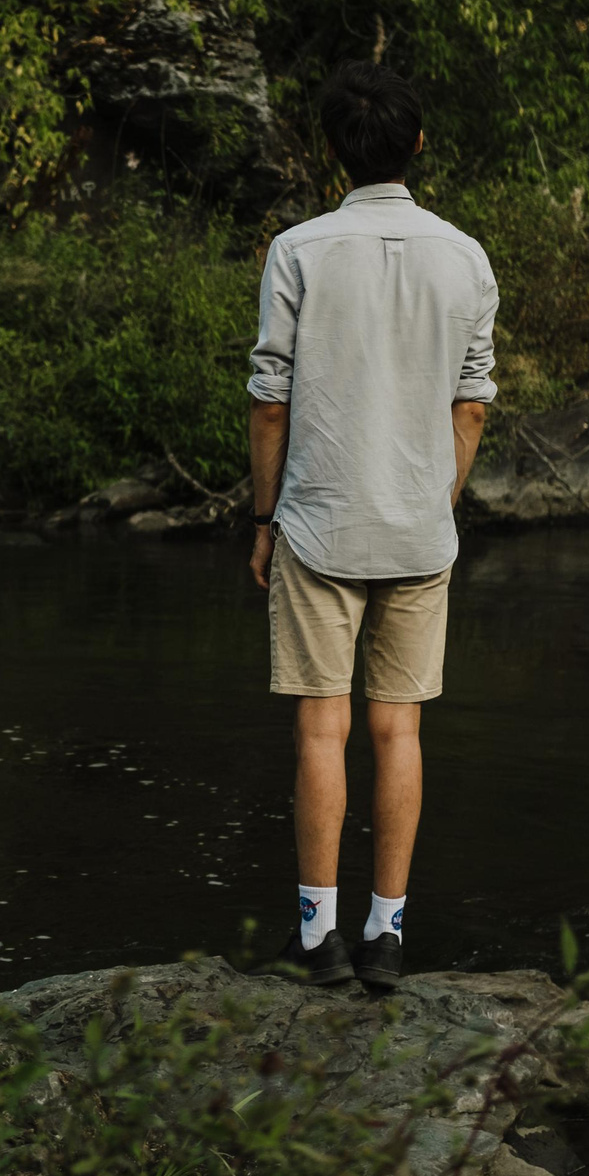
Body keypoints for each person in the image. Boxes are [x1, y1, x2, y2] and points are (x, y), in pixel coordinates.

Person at [245, 61, 497, 990]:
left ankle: (319, 936)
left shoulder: (299, 249)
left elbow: (270, 401)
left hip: (318, 523)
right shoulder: (465, 256)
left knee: (323, 729)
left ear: (329, 151)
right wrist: (438, 498)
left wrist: (264, 520)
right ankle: (388, 935)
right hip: (418, 532)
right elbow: (472, 404)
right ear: (419, 146)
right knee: (400, 732)